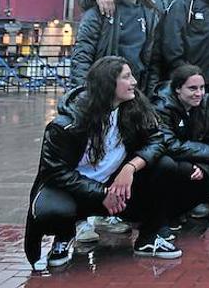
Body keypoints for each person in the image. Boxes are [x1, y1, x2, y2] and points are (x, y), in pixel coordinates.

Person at [23, 57, 179, 268]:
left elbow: (157, 139)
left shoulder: (133, 107)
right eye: (126, 77)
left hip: (114, 188)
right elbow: (56, 173)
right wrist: (101, 193)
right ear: (107, 83)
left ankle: (149, 237)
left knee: (166, 166)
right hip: (74, 192)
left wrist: (130, 167)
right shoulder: (66, 124)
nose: (134, 81)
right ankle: (64, 233)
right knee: (52, 210)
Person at [71, 0, 161, 94]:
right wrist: (82, 91)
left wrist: (151, 94)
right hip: (106, 86)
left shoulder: (150, 14)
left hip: (137, 87)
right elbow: (83, 53)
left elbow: (153, 59)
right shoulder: (102, 9)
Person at [152, 65, 209, 222]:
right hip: (170, 158)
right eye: (192, 88)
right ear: (178, 88)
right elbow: (168, 144)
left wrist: (205, 162)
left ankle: (189, 205)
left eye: (202, 88)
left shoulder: (205, 103)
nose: (199, 93)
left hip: (193, 155)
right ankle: (167, 212)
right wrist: (208, 155)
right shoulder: (161, 107)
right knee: (180, 169)